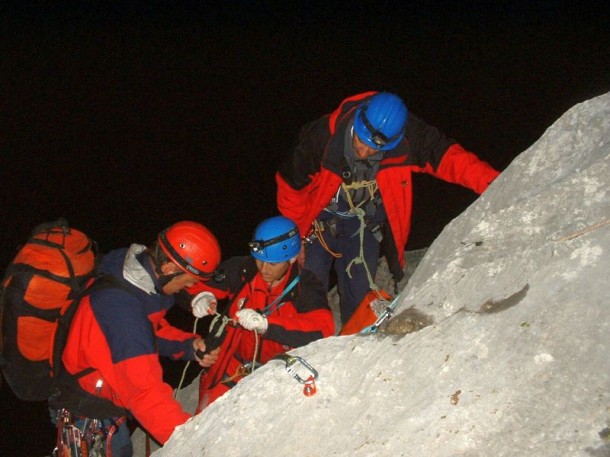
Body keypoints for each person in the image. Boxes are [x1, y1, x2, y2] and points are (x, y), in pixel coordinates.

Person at [275, 91, 500, 325]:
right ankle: (304, 343)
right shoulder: (321, 138)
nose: (363, 152)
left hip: (362, 224)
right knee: (310, 288)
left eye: (373, 149)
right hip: (319, 221)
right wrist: (294, 238)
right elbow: (290, 186)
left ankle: (352, 346)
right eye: (360, 142)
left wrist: (495, 183)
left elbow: (449, 158)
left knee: (360, 294)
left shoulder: (410, 137)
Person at [51, 221, 222, 456]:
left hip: (101, 404)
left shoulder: (129, 278)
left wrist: (188, 345)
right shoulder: (121, 308)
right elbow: (145, 393)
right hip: (91, 418)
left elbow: (147, 331)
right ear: (171, 269)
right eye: (189, 281)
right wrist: (195, 444)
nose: (189, 287)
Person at [189, 215, 335, 411]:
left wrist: (268, 326)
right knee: (205, 419)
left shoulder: (305, 287)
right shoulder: (244, 270)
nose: (264, 269)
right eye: (260, 260)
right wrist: (200, 296)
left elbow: (323, 329)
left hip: (276, 372)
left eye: (273, 264)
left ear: (291, 259)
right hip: (232, 366)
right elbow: (192, 279)